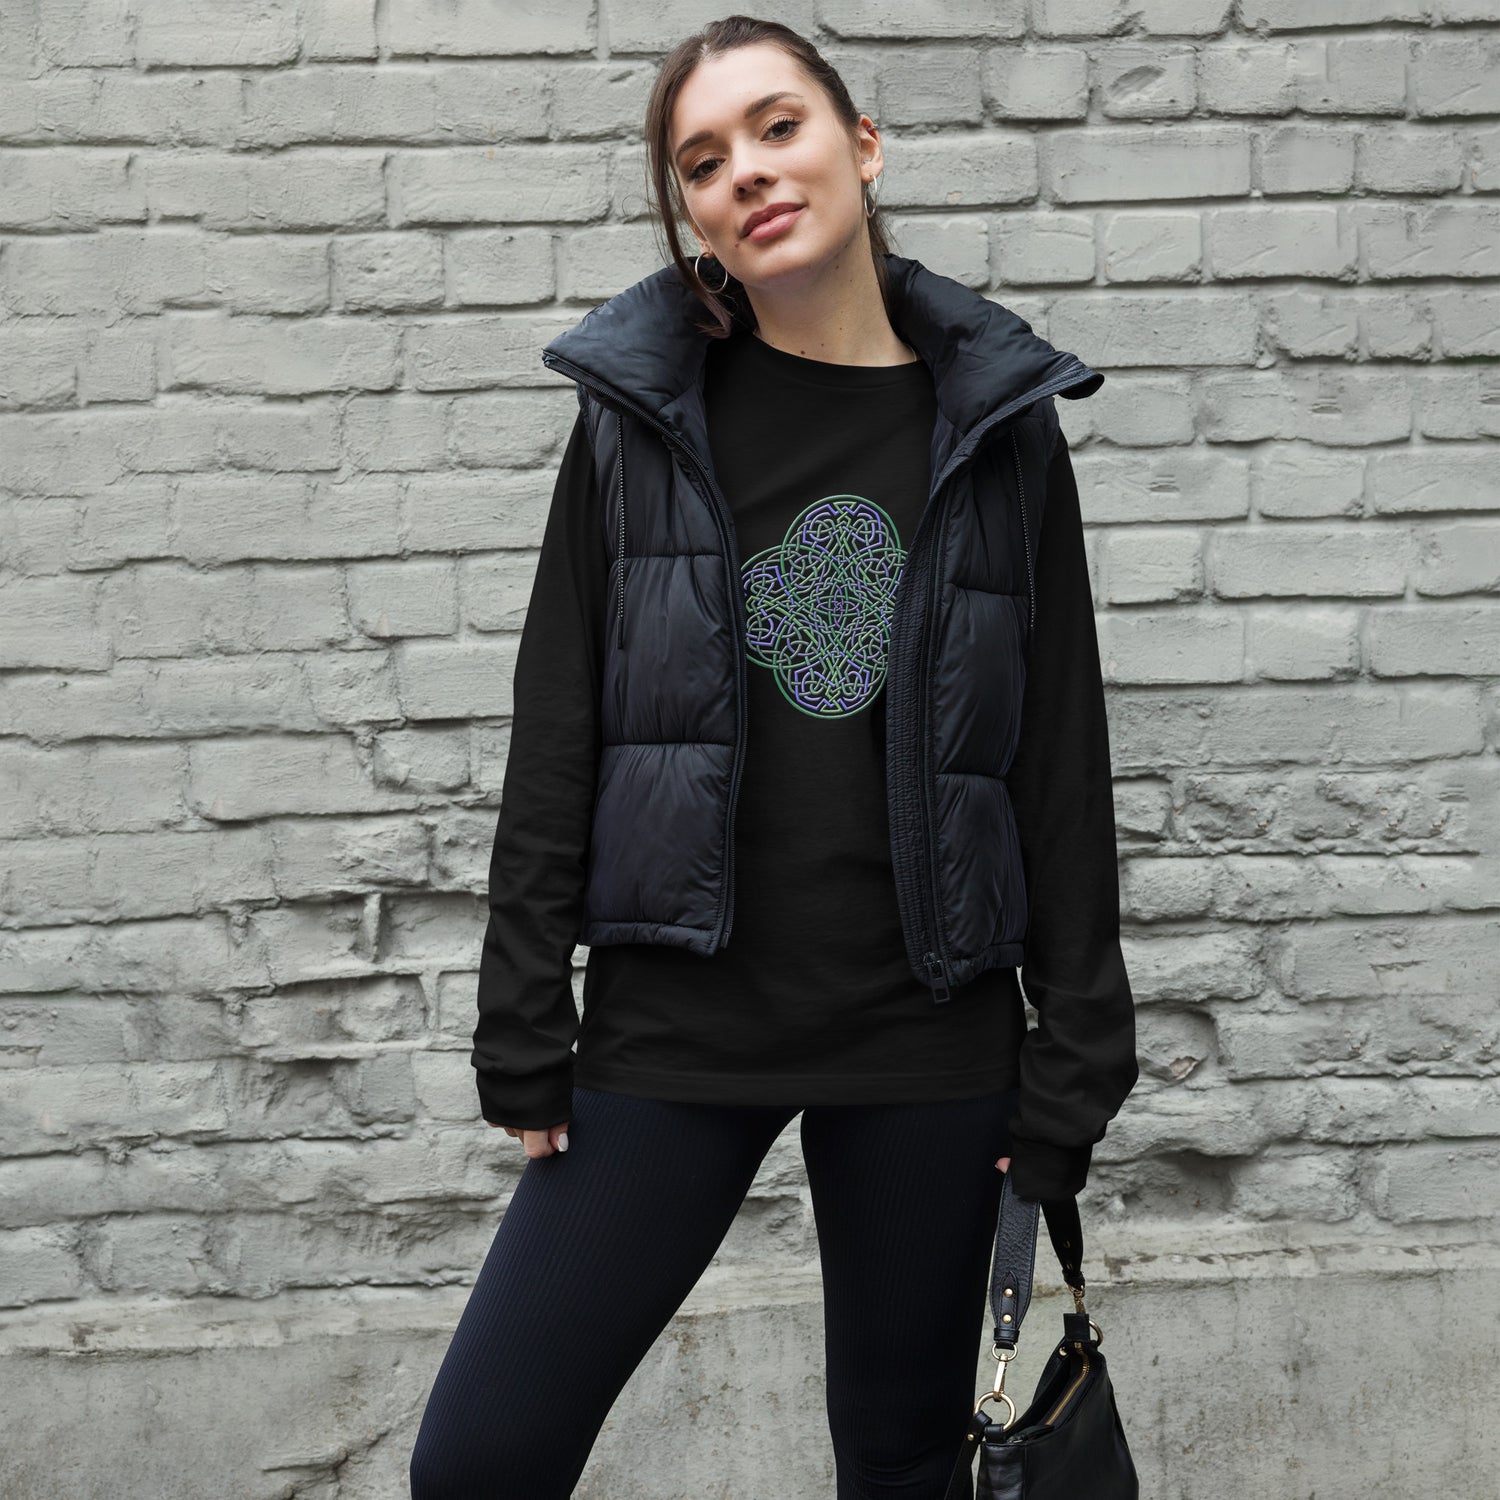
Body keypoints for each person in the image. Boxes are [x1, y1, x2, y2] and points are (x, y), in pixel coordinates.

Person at [409, 15, 1138, 1499]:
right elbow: (562, 719)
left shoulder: (998, 432)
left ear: (861, 145)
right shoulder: (637, 421)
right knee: (480, 1460)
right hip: (679, 1023)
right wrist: (521, 1006)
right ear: (688, 215)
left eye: (777, 126)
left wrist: (1076, 1063)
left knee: (902, 1463)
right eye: (703, 160)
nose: (747, 171)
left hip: (929, 1035)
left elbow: (1060, 761)